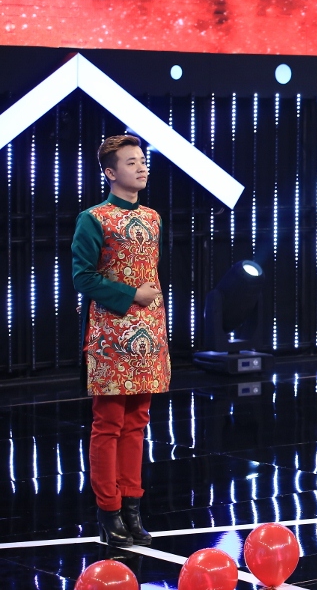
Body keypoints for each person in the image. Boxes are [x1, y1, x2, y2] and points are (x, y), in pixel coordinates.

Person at [72, 134, 170, 547]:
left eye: (142, 160)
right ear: (110, 173)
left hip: (149, 330)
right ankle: (108, 511)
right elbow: (83, 277)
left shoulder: (152, 217)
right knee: (108, 423)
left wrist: (149, 305)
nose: (141, 167)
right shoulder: (93, 218)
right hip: (112, 333)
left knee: (137, 423)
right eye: (131, 162)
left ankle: (132, 508)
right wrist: (130, 295)